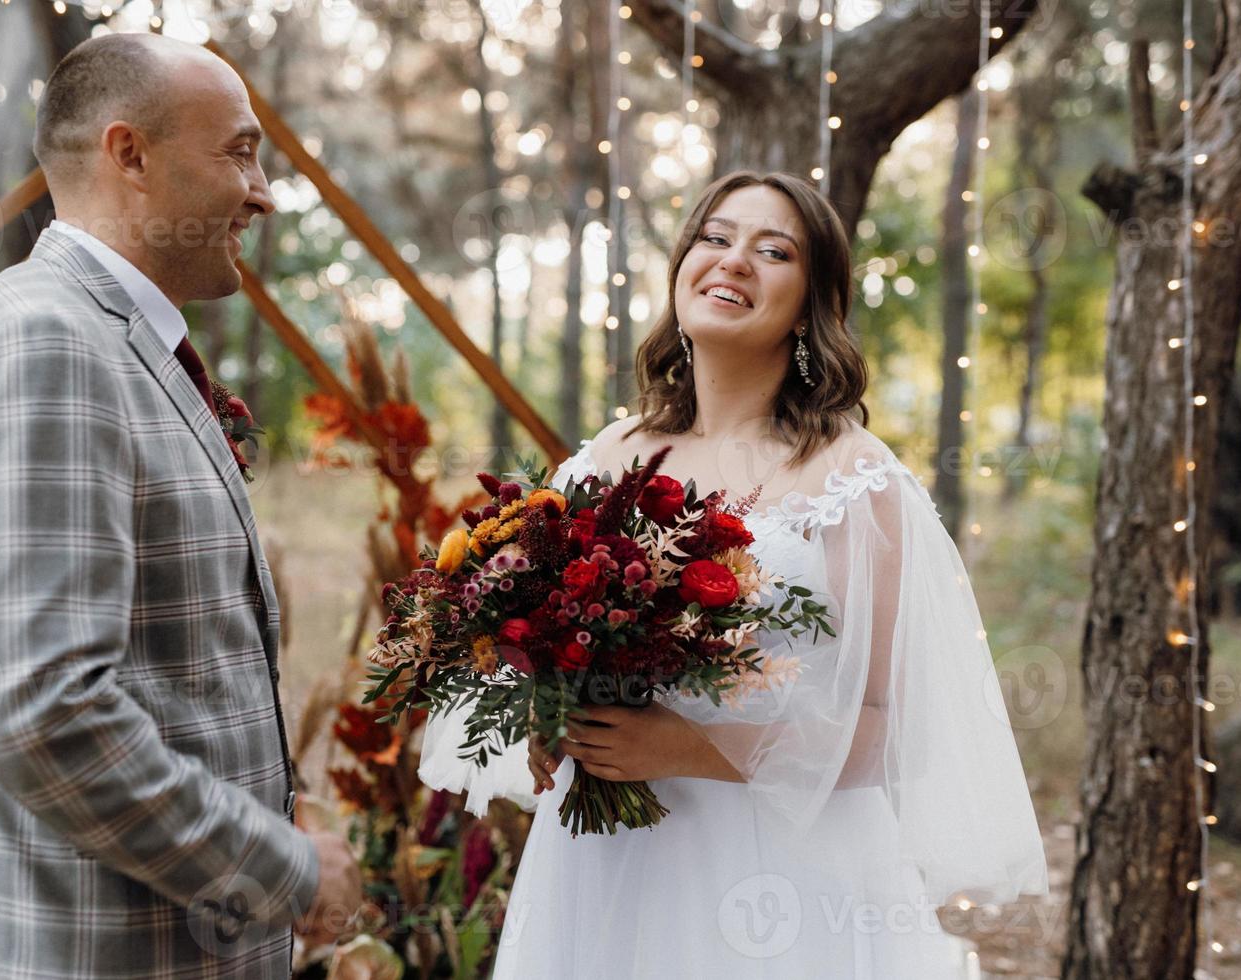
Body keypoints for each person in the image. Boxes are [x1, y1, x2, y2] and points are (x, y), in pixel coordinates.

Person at [420, 171, 1049, 977]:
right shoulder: (606, 454)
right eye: (715, 238)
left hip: (783, 872)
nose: (734, 261)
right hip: (606, 865)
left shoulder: (853, 478)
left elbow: (896, 726)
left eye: (772, 250)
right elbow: (533, 627)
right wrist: (550, 714)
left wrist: (690, 747)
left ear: (811, 301)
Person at [0, 34, 360, 979]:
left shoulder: (101, 339)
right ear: (129, 154)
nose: (263, 191)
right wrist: (283, 869)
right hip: (75, 950)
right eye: (238, 150)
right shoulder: (45, 346)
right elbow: (41, 711)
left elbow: (172, 672)